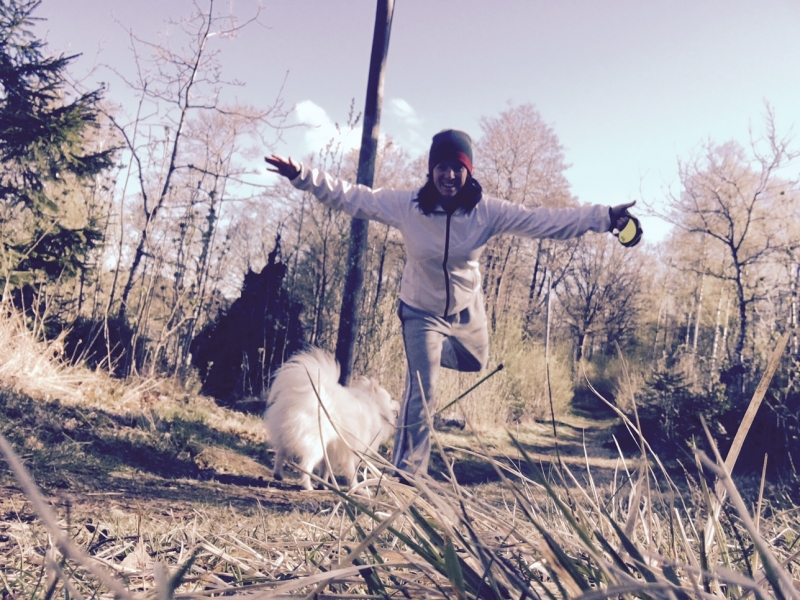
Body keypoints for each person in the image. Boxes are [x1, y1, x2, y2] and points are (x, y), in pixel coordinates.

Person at [265, 129, 640, 478]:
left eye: (457, 168)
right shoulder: (407, 206)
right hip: (420, 309)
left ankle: (424, 357)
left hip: (465, 308)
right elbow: (354, 197)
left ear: (468, 171)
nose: (448, 175)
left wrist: (604, 218)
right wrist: (302, 175)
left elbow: (542, 221)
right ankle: (409, 473)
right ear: (431, 170)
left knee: (476, 361)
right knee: (423, 391)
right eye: (441, 167)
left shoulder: (486, 211)